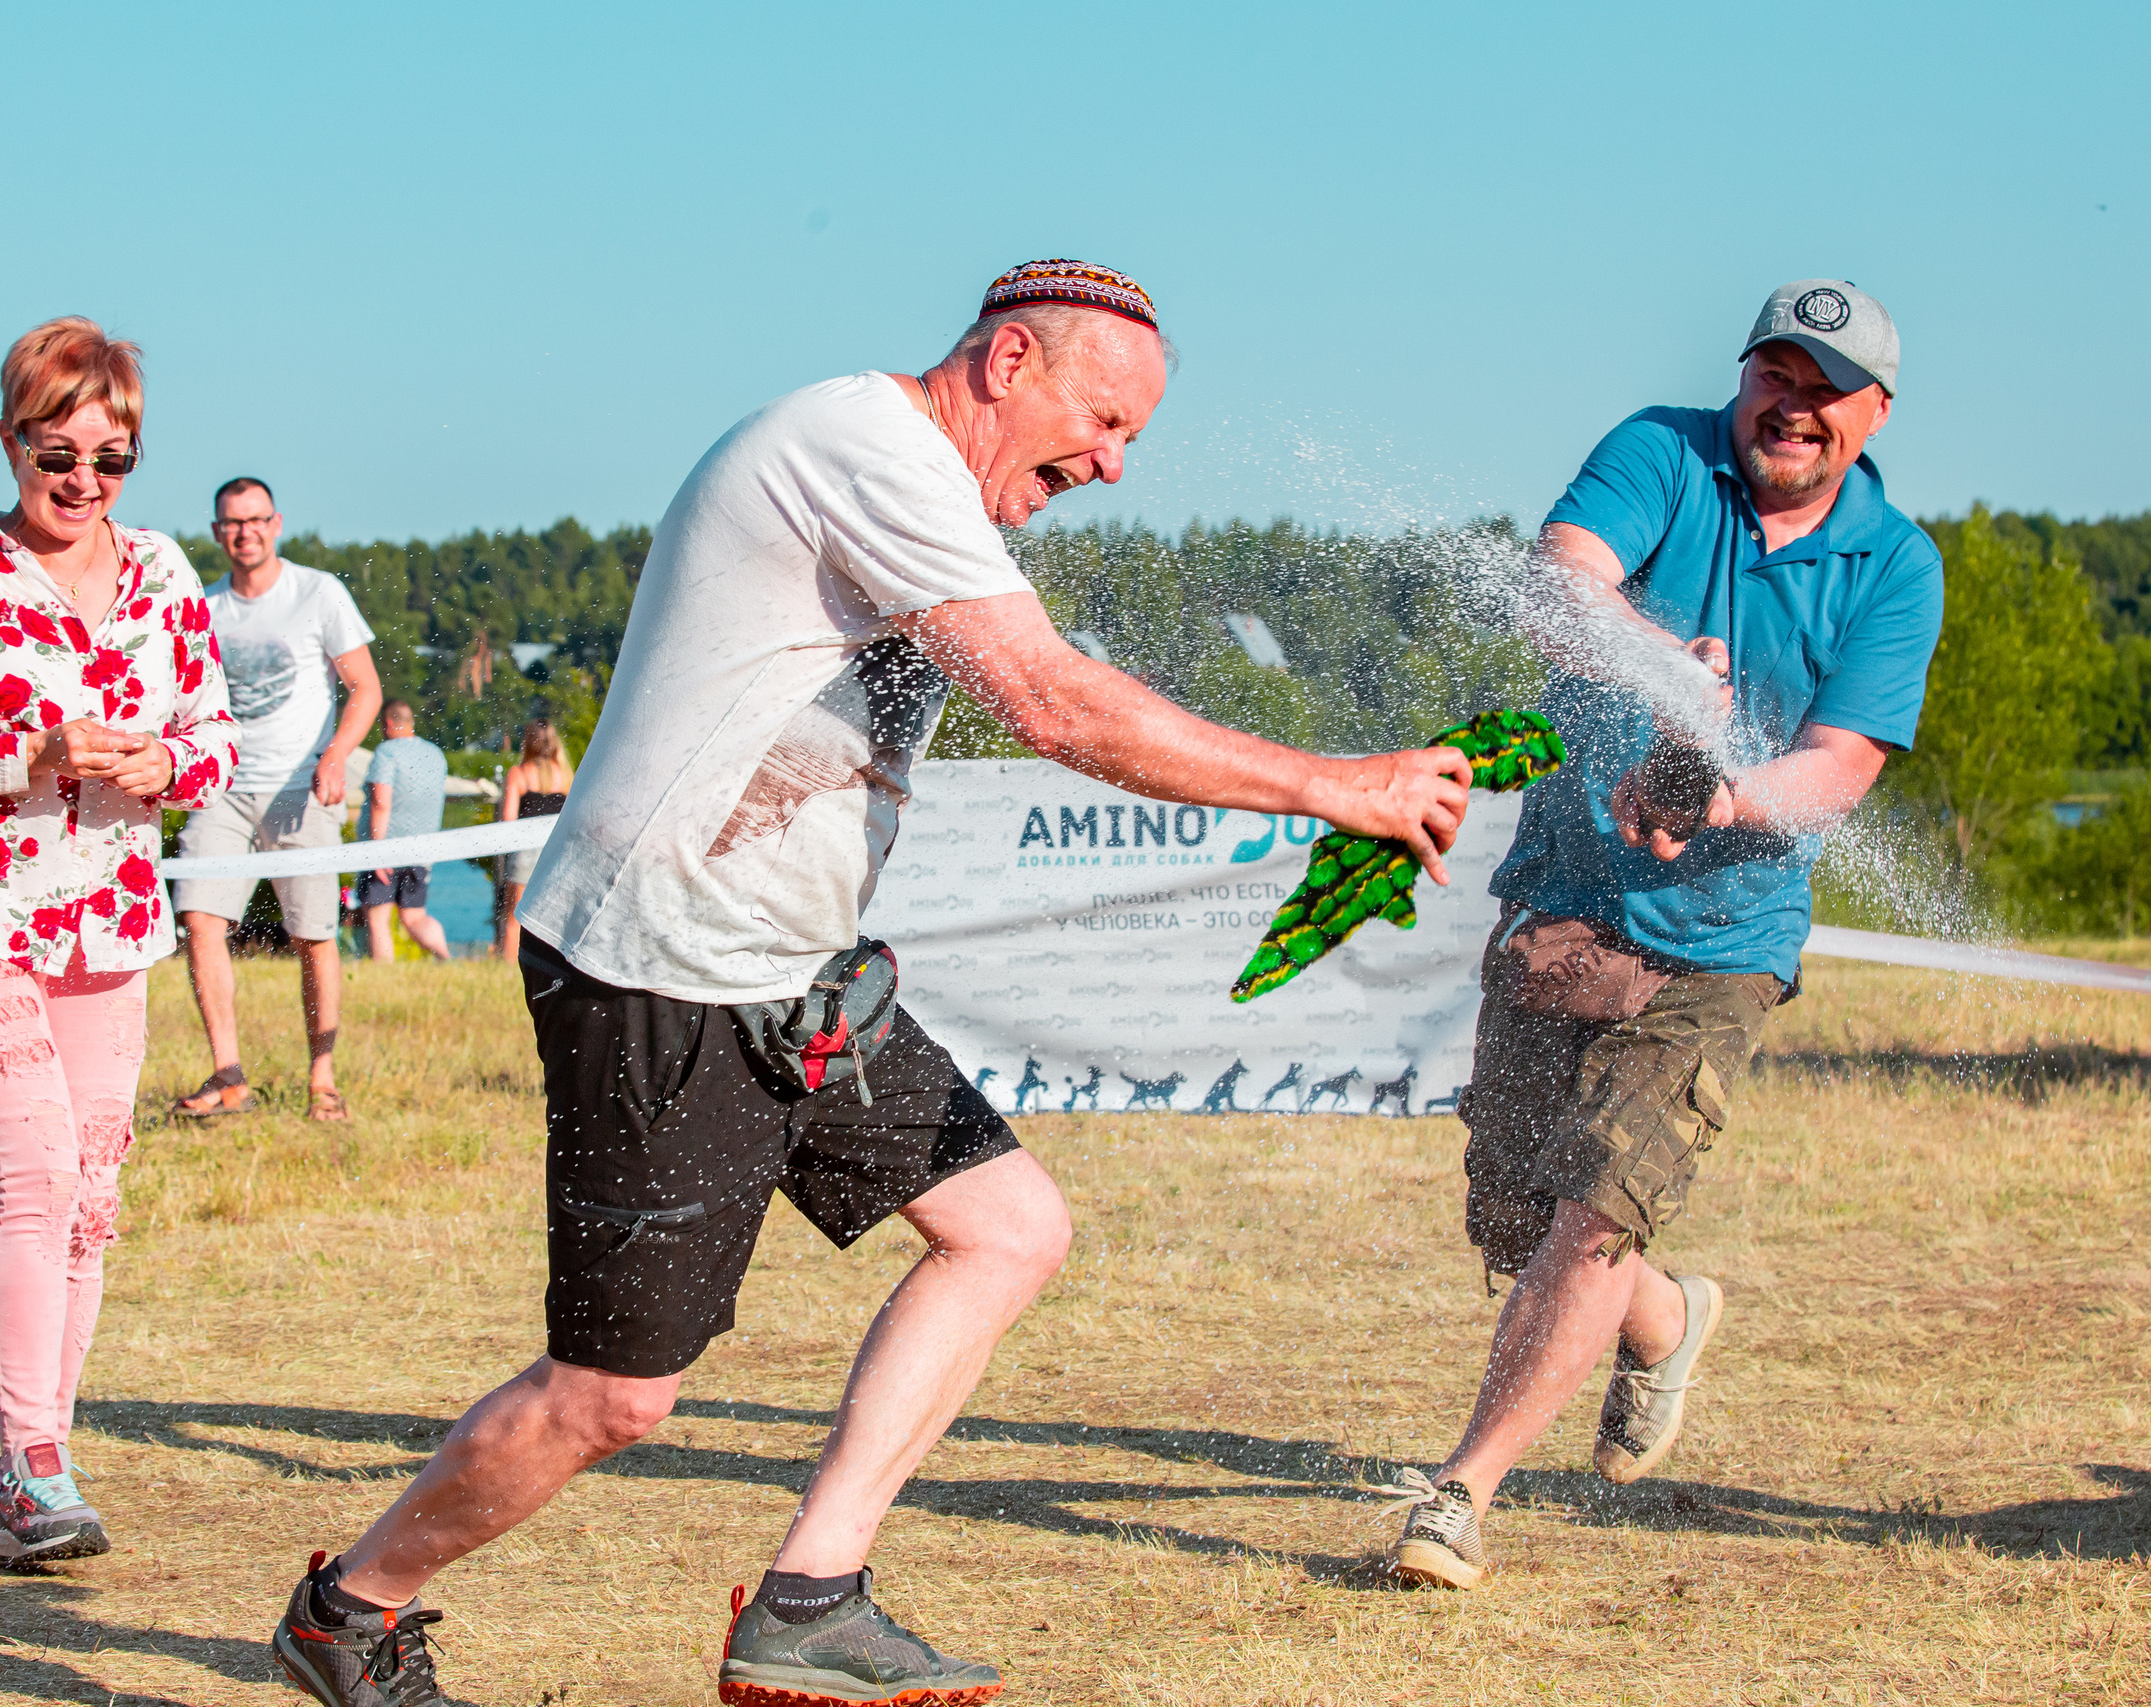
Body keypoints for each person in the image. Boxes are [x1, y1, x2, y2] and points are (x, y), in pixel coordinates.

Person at [268, 259, 1474, 1707]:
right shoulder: (865, 446)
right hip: (665, 974)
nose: (1112, 464)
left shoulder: (929, 488)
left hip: (792, 975)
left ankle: (810, 1598)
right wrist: (1337, 784)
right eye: (1103, 421)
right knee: (613, 1394)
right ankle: (349, 1609)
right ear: (1007, 362)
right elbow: (1053, 703)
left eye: (1132, 439)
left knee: (1007, 1229)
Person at [1379, 281, 1944, 1590]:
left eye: (1824, 389)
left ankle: (1459, 1493)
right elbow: (1556, 585)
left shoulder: (1895, 565)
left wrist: (1720, 797)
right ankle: (1666, 1315)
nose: (1790, 406)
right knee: (1519, 1214)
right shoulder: (1662, 452)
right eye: (1773, 375)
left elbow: (1840, 766)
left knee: (1593, 1208)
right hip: (1566, 898)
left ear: (1875, 411)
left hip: (1723, 936)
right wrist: (1667, 669)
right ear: (1742, 378)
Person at [0, 316, 238, 1566]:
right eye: (57, 452)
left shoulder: (166, 574)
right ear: (11, 440)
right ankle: (33, 1468)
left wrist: (166, 761)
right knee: (34, 1176)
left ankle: (36, 1466)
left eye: (111, 458)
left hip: (106, 919)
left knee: (92, 1199)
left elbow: (216, 738)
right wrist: (27, 754)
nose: (84, 481)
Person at [169, 477, 379, 1122]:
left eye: (256, 520)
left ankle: (322, 1078)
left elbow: (365, 688)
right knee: (200, 920)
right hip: (221, 788)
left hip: (302, 788)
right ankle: (228, 1075)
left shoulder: (318, 592)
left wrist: (335, 756)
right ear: (217, 532)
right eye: (234, 523)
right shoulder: (203, 606)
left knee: (313, 934)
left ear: (277, 523)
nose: (246, 533)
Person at [357, 698, 451, 962]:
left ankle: (384, 975)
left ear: (387, 723)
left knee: (378, 917)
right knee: (414, 916)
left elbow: (380, 801)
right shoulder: (435, 754)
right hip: (422, 849)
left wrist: (377, 850)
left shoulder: (386, 753)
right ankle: (444, 957)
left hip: (387, 847)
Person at [493, 718, 572, 960]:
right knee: (554, 918)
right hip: (555, 852)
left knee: (515, 917)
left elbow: (508, 820)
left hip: (525, 852)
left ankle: (508, 965)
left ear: (527, 742)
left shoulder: (519, 774)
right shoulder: (566, 775)